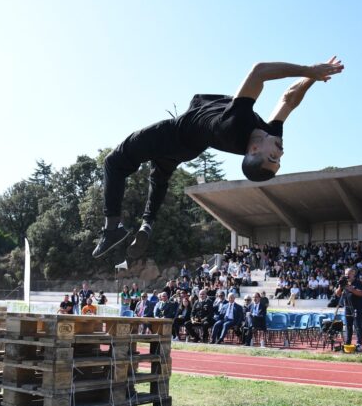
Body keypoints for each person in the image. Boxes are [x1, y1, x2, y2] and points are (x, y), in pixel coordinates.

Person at [92, 57, 344, 259]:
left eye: (273, 158)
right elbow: (289, 98)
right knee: (158, 179)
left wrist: (308, 69)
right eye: (279, 160)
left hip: (173, 134)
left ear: (254, 150)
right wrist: (312, 78)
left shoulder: (236, 125)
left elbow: (259, 71)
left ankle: (112, 227)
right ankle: (147, 224)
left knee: (114, 162)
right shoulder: (270, 134)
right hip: (188, 149)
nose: (280, 153)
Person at [334, 267, 362, 351]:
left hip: (357, 307)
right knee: (348, 326)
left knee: (357, 326)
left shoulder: (358, 283)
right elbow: (337, 294)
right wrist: (341, 286)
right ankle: (348, 342)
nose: (347, 276)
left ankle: (359, 343)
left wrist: (351, 289)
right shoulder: (344, 282)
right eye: (345, 274)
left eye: (348, 274)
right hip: (347, 307)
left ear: (353, 274)